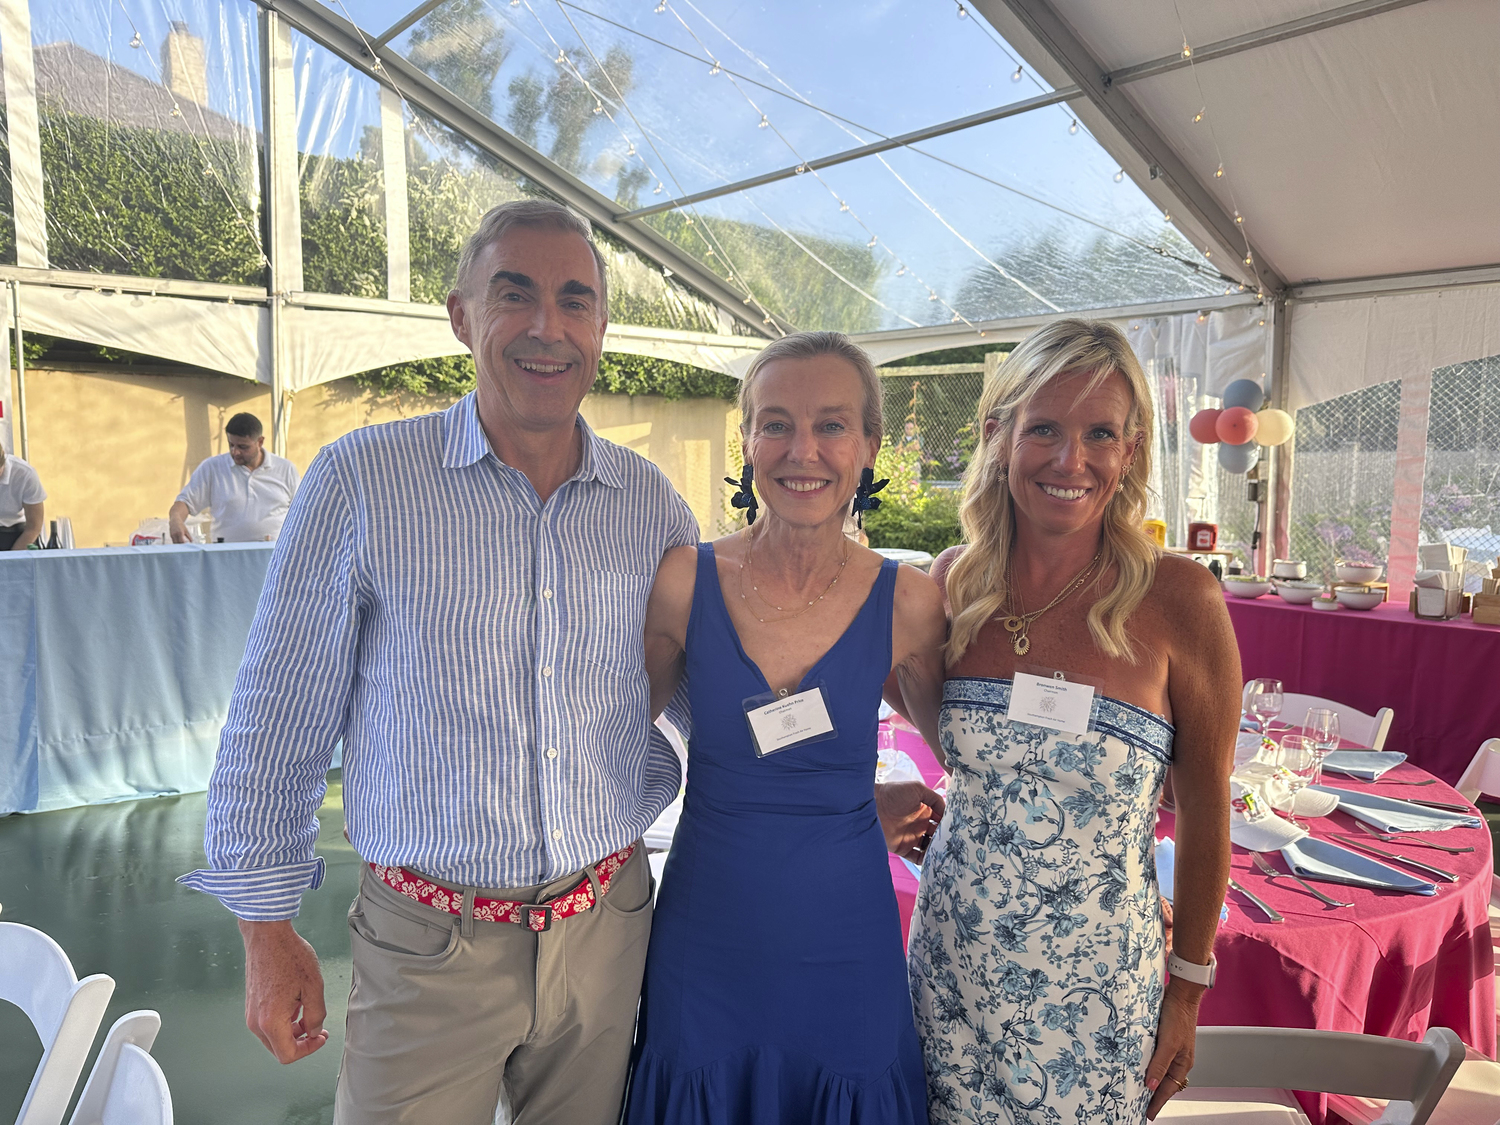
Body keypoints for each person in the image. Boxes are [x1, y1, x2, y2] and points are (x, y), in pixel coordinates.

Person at [179, 201, 940, 1125]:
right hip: (430, 942)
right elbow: (277, 715)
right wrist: (265, 929)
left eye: (574, 301)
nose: (548, 327)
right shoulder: (365, 482)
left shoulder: (648, 507)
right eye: (516, 295)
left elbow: (724, 695)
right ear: (462, 314)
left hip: (603, 933)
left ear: (601, 329)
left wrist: (840, 796)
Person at [906, 320, 1237, 1123]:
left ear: (1129, 452)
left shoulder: (1180, 601)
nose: (1070, 459)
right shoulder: (949, 587)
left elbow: (1204, 807)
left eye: (1099, 434)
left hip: (1093, 1002)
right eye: (1044, 428)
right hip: (947, 970)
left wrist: (1187, 988)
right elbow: (895, 719)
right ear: (998, 435)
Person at [626, 331, 948, 1124]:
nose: (803, 450)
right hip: (708, 934)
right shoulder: (683, 580)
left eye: (832, 424)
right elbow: (604, 737)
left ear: (870, 445)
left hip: (847, 939)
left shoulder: (909, 602)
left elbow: (968, 753)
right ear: (746, 441)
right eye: (776, 423)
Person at [170, 412, 299, 542]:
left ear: (260, 442)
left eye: (243, 447)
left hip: (275, 554)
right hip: (226, 555)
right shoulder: (212, 468)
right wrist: (176, 520)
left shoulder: (286, 469)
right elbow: (185, 502)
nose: (235, 452)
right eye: (231, 445)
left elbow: (303, 511)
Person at [0, 443, 46, 550]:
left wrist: (12, 560)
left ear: (2, 464)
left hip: (17, 534)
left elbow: (34, 527)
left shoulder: (25, 474)